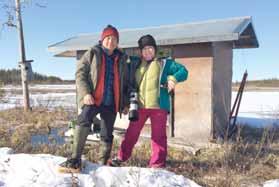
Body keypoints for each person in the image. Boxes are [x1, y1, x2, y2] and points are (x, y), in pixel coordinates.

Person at [58, 25, 129, 173]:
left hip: (111, 101)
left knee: (107, 132)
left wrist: (124, 103)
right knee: (83, 120)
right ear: (103, 39)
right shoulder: (92, 53)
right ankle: (75, 159)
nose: (111, 41)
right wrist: (85, 93)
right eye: (108, 38)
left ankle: (102, 164)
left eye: (114, 39)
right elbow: (80, 74)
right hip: (93, 98)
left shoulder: (122, 58)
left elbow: (125, 83)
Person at [111, 34, 188, 168]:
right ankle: (121, 157)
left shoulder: (164, 63)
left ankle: (157, 164)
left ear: (155, 49)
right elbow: (122, 59)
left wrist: (173, 78)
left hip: (159, 107)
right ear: (140, 51)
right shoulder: (136, 63)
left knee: (158, 137)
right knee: (131, 133)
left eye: (150, 48)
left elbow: (183, 71)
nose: (147, 51)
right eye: (144, 49)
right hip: (139, 106)